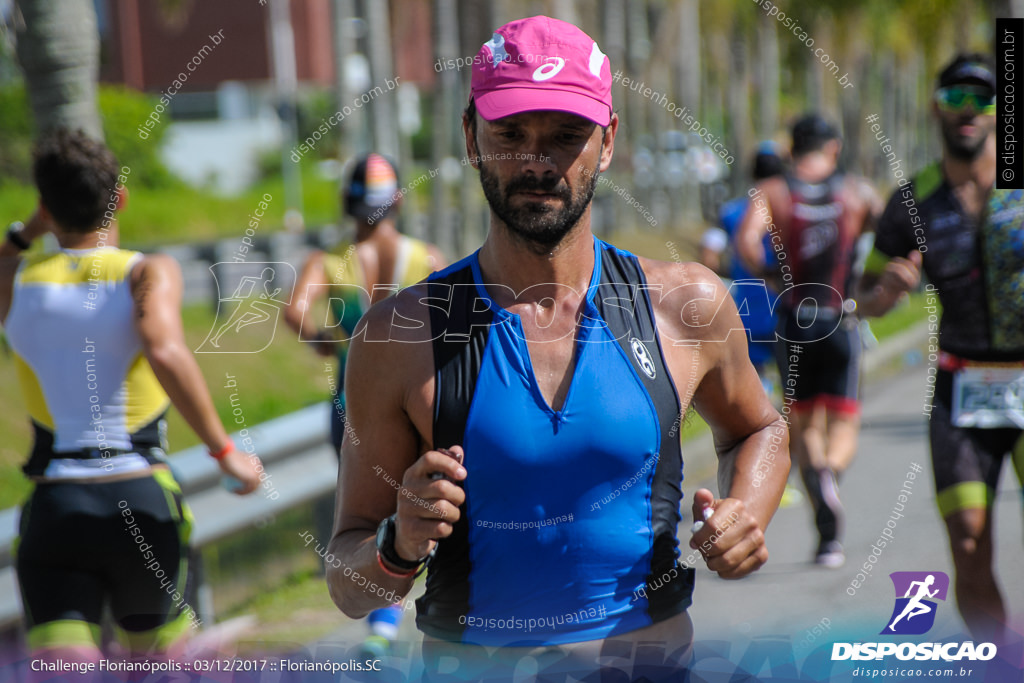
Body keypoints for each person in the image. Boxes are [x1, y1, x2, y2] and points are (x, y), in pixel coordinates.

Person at [326, 16, 789, 680]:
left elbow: (759, 427)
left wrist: (747, 509)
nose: (536, 163)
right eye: (510, 135)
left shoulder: (684, 303)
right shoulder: (399, 335)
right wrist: (397, 545)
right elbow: (348, 586)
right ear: (470, 137)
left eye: (566, 137)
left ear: (606, 143)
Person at [0, 129, 263, 661]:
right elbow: (163, 350)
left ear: (47, 209)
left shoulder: (19, 281)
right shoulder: (147, 271)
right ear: (119, 199)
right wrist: (226, 454)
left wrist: (30, 227)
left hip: (56, 506)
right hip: (141, 499)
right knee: (159, 671)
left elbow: (6, 256)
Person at [857, 54, 1021, 647]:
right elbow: (864, 294)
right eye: (956, 98)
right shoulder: (913, 202)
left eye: (982, 99)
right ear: (936, 108)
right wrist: (888, 290)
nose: (969, 111)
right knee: (970, 541)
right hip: (961, 392)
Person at [284, 152, 444, 656]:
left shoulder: (329, 260)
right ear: (398, 200)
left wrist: (326, 342)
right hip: (421, 400)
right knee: (422, 503)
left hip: (350, 403)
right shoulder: (429, 258)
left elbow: (293, 311)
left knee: (366, 512)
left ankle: (381, 618)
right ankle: (408, 612)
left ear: (348, 202)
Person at [736, 114, 880, 568]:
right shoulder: (856, 191)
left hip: (794, 317)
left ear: (792, 150)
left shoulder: (774, 193)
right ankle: (829, 476)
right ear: (834, 148)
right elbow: (894, 230)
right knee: (844, 420)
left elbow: (744, 241)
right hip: (841, 315)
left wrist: (769, 275)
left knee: (803, 422)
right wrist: (868, 275)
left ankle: (820, 497)